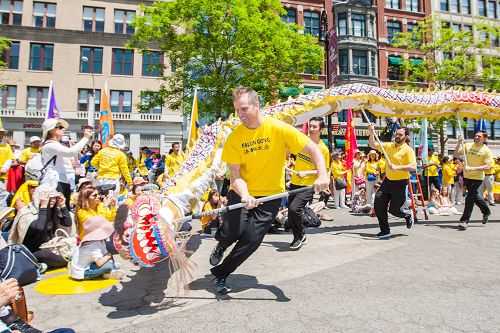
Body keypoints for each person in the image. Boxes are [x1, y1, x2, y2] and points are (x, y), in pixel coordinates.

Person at [208, 87, 329, 294]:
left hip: (271, 196)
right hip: (241, 192)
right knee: (232, 231)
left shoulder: (278, 129)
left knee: (252, 240)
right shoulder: (235, 138)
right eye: (237, 111)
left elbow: (313, 148)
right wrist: (246, 196)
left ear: (257, 106)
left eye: (244, 109)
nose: (241, 115)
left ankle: (221, 273)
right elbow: (235, 175)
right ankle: (221, 244)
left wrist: (322, 174)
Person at [286, 117, 330, 250]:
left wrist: (307, 173)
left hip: (309, 185)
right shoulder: (303, 141)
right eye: (310, 126)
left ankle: (299, 236)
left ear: (321, 130)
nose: (311, 129)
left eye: (314, 127)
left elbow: (325, 170)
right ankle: (298, 235)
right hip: (295, 182)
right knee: (291, 212)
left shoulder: (323, 149)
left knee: (295, 208)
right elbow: (289, 152)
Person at [8, 183, 73, 268]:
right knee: (44, 254)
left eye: (54, 197)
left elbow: (67, 222)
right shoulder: (27, 213)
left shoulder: (51, 211)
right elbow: (39, 227)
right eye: (49, 197)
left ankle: (44, 265)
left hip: (49, 246)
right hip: (30, 251)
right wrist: (43, 206)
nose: (52, 200)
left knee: (69, 244)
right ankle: (69, 261)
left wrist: (62, 205)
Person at [368, 124, 416, 239]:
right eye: (397, 133)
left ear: (406, 137)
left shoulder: (408, 150)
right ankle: (385, 231)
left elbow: (413, 167)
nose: (397, 136)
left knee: (394, 210)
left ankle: (407, 214)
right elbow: (372, 144)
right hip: (387, 182)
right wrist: (371, 132)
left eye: (400, 134)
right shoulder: (389, 146)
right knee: (378, 204)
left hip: (400, 183)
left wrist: (397, 167)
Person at [41, 118, 93, 208]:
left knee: (63, 208)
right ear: (51, 130)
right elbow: (71, 152)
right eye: (60, 127)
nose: (63, 129)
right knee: (58, 210)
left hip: (63, 179)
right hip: (55, 181)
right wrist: (85, 138)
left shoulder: (55, 144)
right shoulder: (50, 145)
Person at [454, 130, 493, 230]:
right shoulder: (467, 145)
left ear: (484, 139)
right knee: (474, 196)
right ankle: (486, 211)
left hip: (477, 177)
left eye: (479, 136)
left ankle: (464, 220)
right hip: (467, 176)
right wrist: (459, 142)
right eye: (476, 135)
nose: (476, 137)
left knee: (469, 198)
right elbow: (456, 155)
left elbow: (488, 166)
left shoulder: (486, 150)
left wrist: (472, 168)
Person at [69, 216, 125, 280]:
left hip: (89, 264)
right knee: (108, 266)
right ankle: (108, 272)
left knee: (110, 263)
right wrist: (109, 256)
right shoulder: (93, 245)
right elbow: (99, 263)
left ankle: (110, 270)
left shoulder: (100, 241)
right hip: (81, 272)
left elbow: (105, 254)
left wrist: (109, 258)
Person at [0, 126, 14, 209]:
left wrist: (4, 169)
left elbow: (9, 158)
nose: (1, 134)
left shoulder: (6, 146)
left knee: (2, 195)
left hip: (3, 175)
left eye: (2, 133)